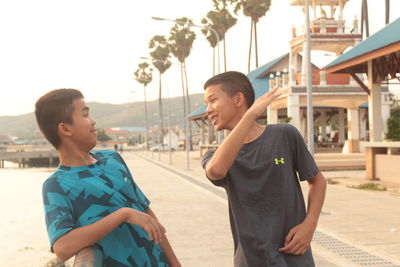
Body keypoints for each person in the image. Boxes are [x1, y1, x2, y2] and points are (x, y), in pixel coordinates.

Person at [35, 89, 180, 266]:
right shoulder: (57, 185)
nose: (93, 121)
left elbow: (147, 214)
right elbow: (63, 247)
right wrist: (123, 214)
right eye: (85, 115)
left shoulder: (113, 159)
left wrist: (176, 264)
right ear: (65, 129)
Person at [201, 71, 327, 267]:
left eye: (213, 100)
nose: (208, 110)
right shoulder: (215, 157)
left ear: (238, 99)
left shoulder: (284, 135)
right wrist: (250, 114)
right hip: (250, 260)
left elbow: (317, 181)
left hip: (294, 256)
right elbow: (216, 171)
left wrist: (310, 224)